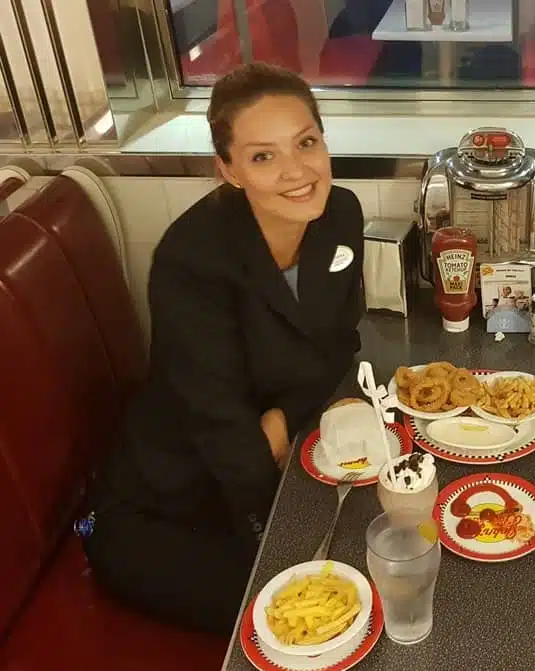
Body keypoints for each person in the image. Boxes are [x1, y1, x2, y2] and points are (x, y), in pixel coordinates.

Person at [82, 63, 365, 636]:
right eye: (263, 156)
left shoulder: (340, 215)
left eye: (306, 142)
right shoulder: (192, 259)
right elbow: (218, 426)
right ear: (228, 169)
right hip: (170, 507)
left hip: (276, 456)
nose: (297, 171)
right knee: (315, 619)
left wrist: (283, 423)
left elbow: (339, 343)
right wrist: (285, 533)